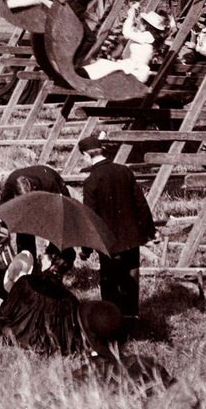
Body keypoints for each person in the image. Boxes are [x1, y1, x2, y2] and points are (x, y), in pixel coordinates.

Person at [77, 134, 156, 335]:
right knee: (131, 279)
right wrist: (149, 232)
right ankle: (132, 321)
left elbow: (90, 219)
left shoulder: (91, 181)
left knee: (110, 284)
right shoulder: (124, 172)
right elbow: (141, 204)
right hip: (131, 239)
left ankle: (111, 325)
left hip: (108, 243)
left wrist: (86, 250)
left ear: (86, 155)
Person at [0, 250, 111, 356]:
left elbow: (2, 316)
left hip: (15, 338)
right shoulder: (70, 301)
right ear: (69, 267)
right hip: (46, 349)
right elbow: (72, 340)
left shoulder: (25, 282)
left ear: (48, 259)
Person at [82, 4, 166, 83]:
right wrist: (133, 11)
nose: (141, 24)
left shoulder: (148, 37)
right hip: (133, 66)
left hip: (136, 70)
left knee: (105, 65)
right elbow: (131, 31)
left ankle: (84, 76)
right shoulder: (147, 37)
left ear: (146, 25)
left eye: (142, 22)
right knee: (104, 64)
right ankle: (85, 75)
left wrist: (130, 16)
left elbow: (126, 32)